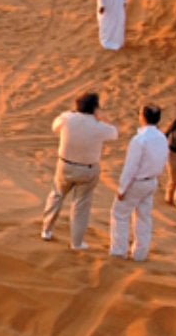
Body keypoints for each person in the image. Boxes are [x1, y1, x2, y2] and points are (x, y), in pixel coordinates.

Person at [42, 91, 119, 250]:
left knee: (56, 195)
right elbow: (114, 133)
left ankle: (46, 230)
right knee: (81, 205)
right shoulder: (99, 126)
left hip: (65, 166)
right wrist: (102, 117)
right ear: (95, 108)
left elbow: (54, 126)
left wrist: (72, 112)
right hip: (87, 170)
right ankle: (76, 243)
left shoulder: (67, 118)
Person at [111, 104, 167, 262]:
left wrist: (122, 189)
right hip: (151, 181)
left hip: (137, 182)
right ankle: (140, 254)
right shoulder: (162, 137)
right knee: (144, 217)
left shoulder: (139, 139)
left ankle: (118, 252)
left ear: (143, 117)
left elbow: (131, 167)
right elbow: (163, 160)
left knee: (120, 215)